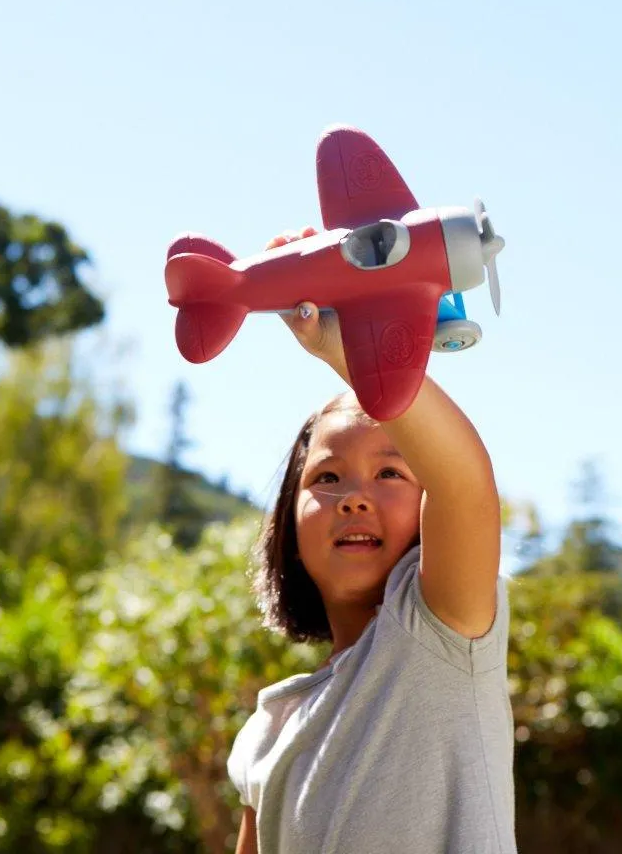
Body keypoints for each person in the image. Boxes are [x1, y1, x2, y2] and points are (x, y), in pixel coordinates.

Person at [227, 228, 516, 854]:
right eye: (327, 478)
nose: (354, 497)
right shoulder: (266, 728)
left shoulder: (439, 632)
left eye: (391, 473)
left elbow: (465, 484)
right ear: (288, 520)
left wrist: (355, 354)